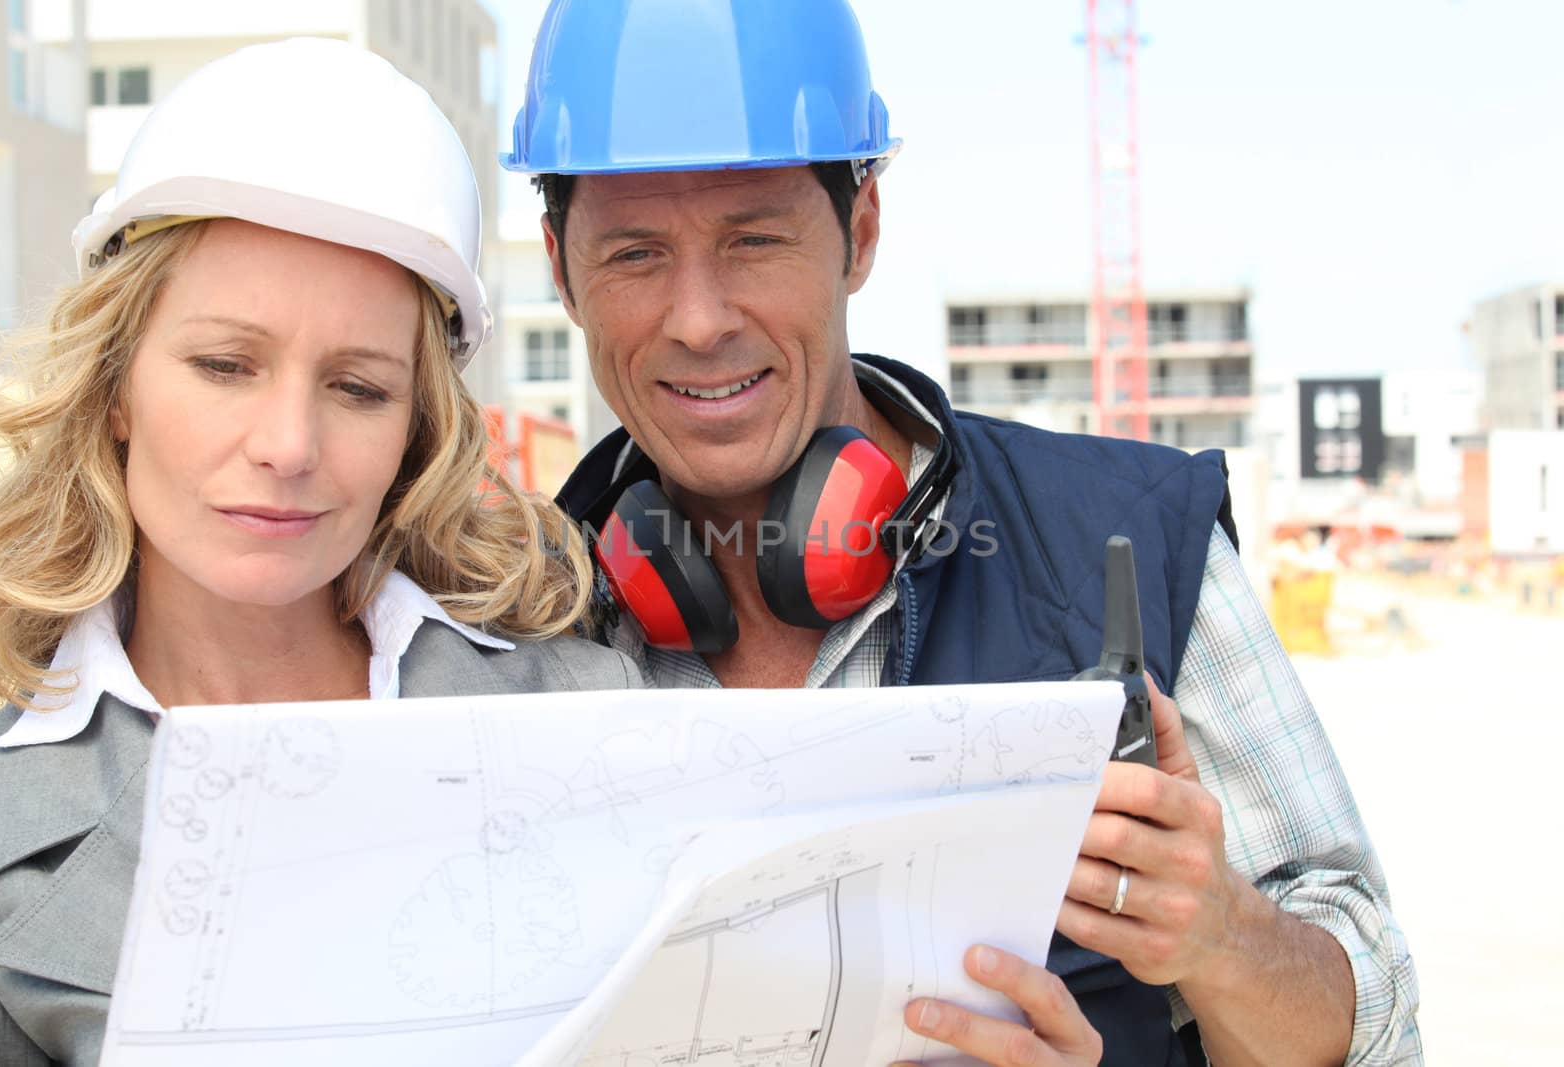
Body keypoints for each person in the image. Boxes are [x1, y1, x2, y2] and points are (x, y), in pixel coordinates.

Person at [505, 1, 1421, 1064]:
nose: (700, 317)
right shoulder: (509, 634)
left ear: (860, 231)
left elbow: (1375, 1028)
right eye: (634, 254)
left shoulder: (1130, 541)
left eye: (754, 237)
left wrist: (1221, 936)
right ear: (562, 272)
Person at [0, 38, 640, 1065]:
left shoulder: (600, 721)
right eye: (226, 364)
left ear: (416, 429)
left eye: (358, 387)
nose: (288, 445)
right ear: (114, 387)